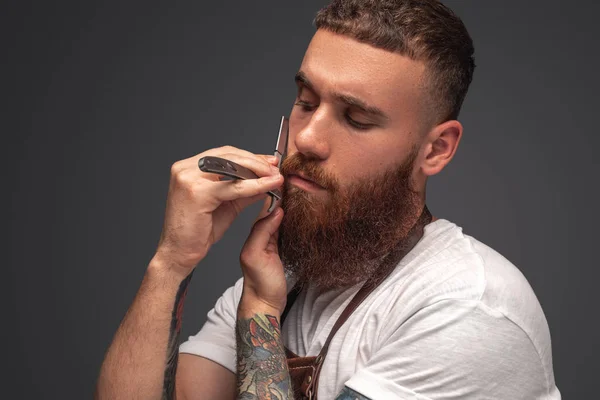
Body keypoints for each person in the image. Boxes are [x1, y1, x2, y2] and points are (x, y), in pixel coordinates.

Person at [95, 1, 561, 399]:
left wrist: (259, 312)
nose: (309, 139)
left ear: (435, 149)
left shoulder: (467, 309)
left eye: (355, 118)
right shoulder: (282, 276)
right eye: (305, 100)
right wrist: (172, 261)